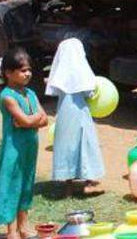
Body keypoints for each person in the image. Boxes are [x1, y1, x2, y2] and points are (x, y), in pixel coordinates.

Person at [0, 47, 49, 239]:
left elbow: (44, 120)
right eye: (22, 70)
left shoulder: (31, 94)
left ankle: (24, 228)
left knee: (26, 186)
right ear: (8, 73)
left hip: (29, 148)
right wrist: (32, 120)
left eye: (29, 70)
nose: (27, 74)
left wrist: (30, 121)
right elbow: (29, 119)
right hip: (13, 150)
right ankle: (11, 234)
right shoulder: (7, 97)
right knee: (11, 187)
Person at [45, 38, 106, 196]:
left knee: (66, 145)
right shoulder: (82, 73)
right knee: (84, 144)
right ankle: (88, 182)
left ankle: (68, 186)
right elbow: (90, 91)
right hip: (81, 112)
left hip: (64, 113)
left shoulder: (61, 76)